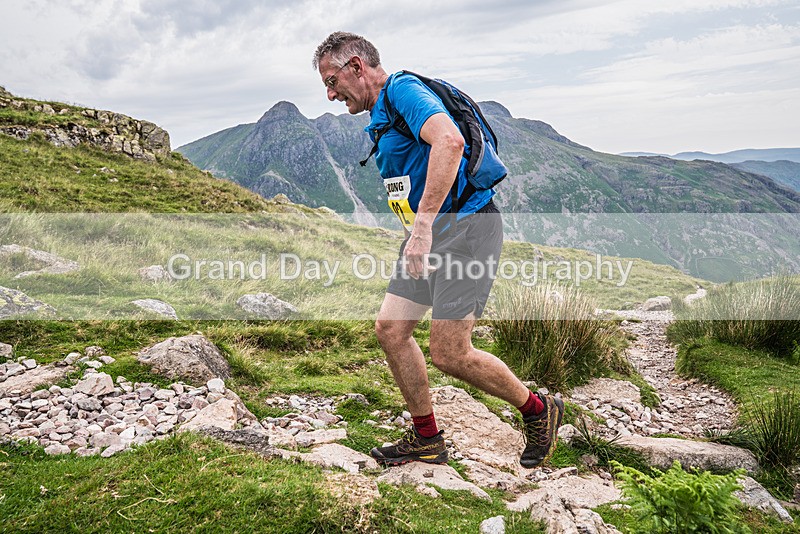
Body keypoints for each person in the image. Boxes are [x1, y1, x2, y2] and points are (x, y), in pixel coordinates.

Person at [312, 31, 563, 468]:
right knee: (391, 330)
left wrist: (423, 227)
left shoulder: (403, 91)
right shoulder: (382, 111)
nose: (331, 95)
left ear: (356, 66)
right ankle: (427, 439)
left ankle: (538, 409)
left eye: (332, 82)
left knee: (450, 353)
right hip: (428, 236)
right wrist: (421, 230)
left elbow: (449, 141)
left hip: (466, 232)